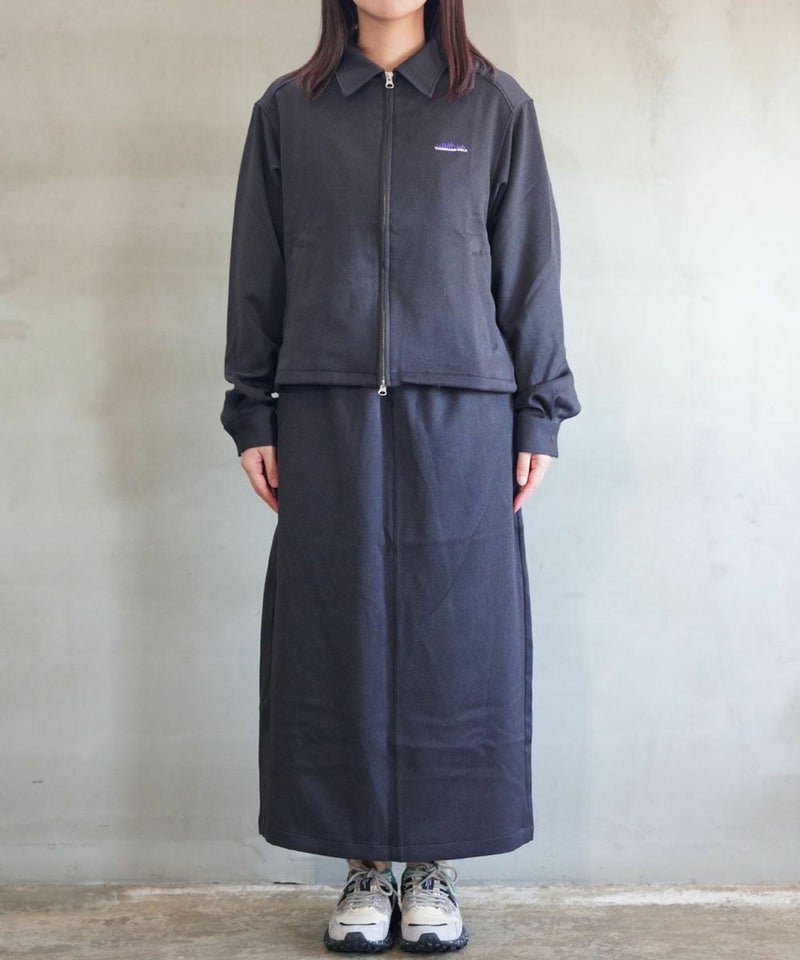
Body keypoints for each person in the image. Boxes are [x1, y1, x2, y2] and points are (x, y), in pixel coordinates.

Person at [220, 0, 581, 953]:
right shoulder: (289, 110)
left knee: (453, 638)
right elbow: (259, 264)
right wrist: (251, 405)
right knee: (336, 630)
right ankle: (363, 866)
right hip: (324, 405)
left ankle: (432, 865)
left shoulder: (494, 107)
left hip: (461, 410)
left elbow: (528, 266)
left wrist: (539, 409)